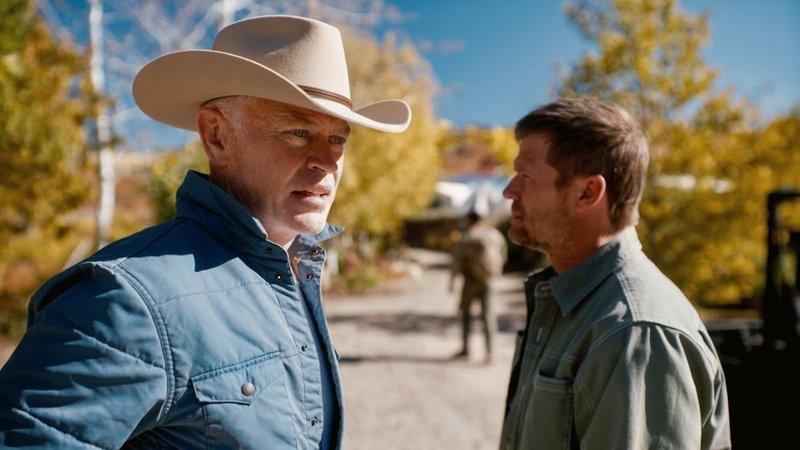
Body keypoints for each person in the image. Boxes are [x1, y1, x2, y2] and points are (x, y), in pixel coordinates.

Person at [0, 15, 410, 449]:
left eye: (338, 140)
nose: (325, 161)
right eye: (298, 131)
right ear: (216, 135)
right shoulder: (123, 300)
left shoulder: (292, 271)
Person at [499, 97, 730, 449]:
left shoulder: (635, 335)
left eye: (527, 176)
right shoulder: (574, 300)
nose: (509, 191)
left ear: (588, 193)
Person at [449, 210, 507, 362]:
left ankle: (466, 349)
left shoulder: (467, 236)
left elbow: (457, 260)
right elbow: (503, 255)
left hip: (470, 280)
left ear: (469, 220)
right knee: (488, 314)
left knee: (466, 314)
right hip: (488, 280)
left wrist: (453, 280)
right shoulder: (494, 235)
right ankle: (490, 352)